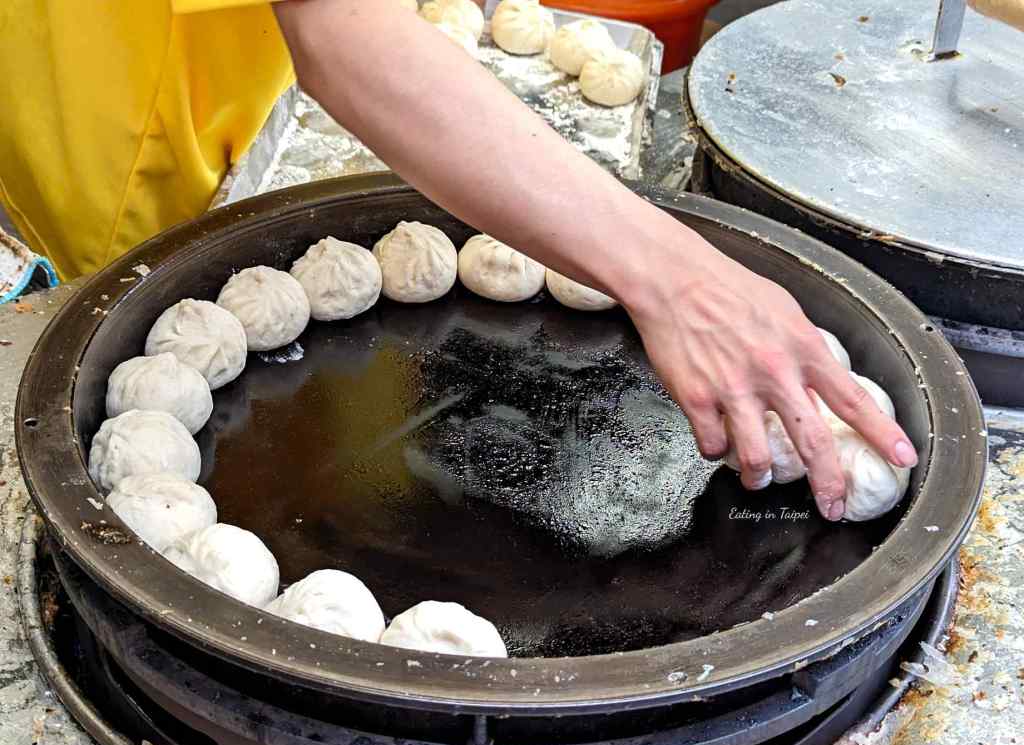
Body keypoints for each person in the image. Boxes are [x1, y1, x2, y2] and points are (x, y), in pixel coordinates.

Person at [0, 0, 917, 520]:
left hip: (225, 68)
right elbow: (339, 32)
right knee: (123, 291)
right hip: (123, 128)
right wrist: (675, 275)